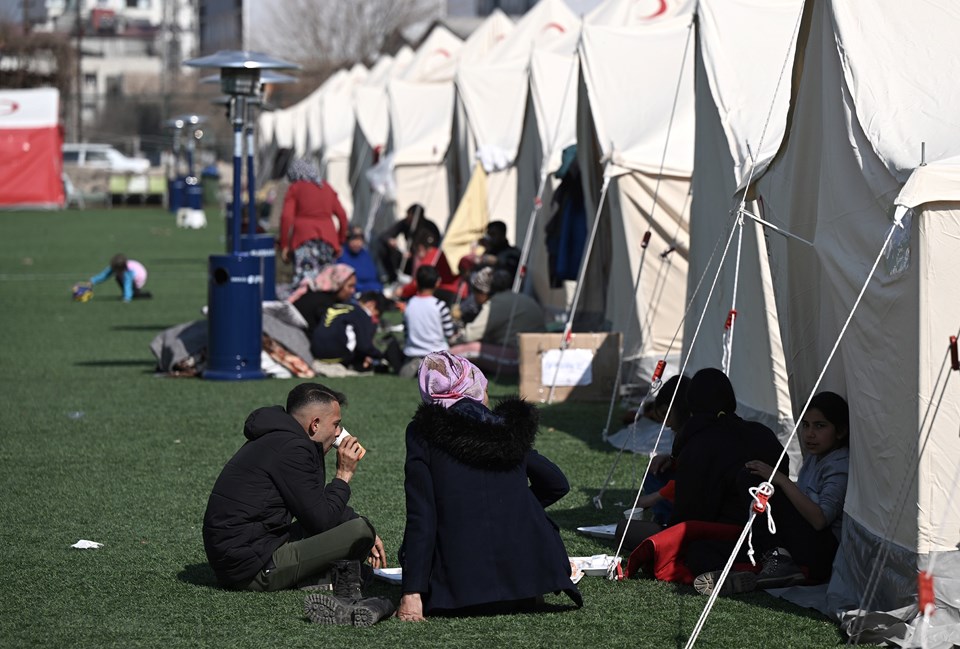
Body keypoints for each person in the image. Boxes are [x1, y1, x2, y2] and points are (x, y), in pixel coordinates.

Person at [396, 352, 582, 621]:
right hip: (528, 584)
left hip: (458, 591)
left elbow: (422, 516)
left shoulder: (422, 432)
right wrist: (513, 506)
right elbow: (557, 484)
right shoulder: (506, 426)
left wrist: (411, 594)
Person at [202, 383, 386, 594]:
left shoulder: (282, 438)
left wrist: (354, 520)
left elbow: (312, 503)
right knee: (359, 531)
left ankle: (325, 576)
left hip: (247, 553)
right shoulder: (293, 449)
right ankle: (319, 579)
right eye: (336, 424)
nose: (338, 434)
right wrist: (343, 476)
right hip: (251, 568)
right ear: (315, 424)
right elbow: (321, 520)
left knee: (358, 526)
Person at [695, 391, 851, 595]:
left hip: (820, 553)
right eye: (805, 425)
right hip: (799, 542)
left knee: (753, 479)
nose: (809, 434)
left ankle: (777, 560)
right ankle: (753, 569)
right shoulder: (817, 457)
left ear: (840, 431)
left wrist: (780, 480)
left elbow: (820, 520)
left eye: (819, 426)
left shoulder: (839, 464)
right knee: (700, 550)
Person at [279, 159, 349, 287]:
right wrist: (340, 240)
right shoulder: (326, 187)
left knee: (306, 282)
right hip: (328, 241)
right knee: (327, 281)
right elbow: (342, 216)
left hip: (303, 239)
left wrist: (284, 244)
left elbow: (286, 217)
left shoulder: (296, 188)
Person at [388, 265, 457, 378]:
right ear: (437, 282)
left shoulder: (409, 305)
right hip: (438, 355)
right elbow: (449, 334)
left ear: (416, 282)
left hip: (413, 354)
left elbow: (406, 333)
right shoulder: (440, 305)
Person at [310, 291, 385, 371]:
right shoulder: (362, 313)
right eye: (376, 315)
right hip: (337, 355)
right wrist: (380, 355)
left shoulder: (336, 305)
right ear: (371, 304)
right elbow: (364, 346)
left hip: (316, 352)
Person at [375, 203, 442, 285]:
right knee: (383, 248)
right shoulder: (405, 223)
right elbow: (385, 235)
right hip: (407, 260)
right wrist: (390, 240)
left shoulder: (429, 227)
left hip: (423, 260)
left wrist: (414, 254)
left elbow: (431, 248)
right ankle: (393, 278)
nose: (408, 218)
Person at [288, 263, 357, 334]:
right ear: (338, 284)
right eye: (350, 286)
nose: (353, 291)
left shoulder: (315, 295)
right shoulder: (323, 303)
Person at [397, 231, 462, 304]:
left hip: (447, 292)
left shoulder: (428, 261)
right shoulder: (438, 253)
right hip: (457, 290)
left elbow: (417, 283)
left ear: (420, 248)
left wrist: (403, 291)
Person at [80, 253, 151, 302]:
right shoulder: (116, 267)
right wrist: (92, 281)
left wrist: (126, 298)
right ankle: (130, 294)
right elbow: (105, 275)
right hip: (134, 270)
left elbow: (127, 284)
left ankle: (143, 294)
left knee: (133, 292)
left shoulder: (128, 273)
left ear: (121, 269)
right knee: (118, 278)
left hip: (139, 277)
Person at [337, 227, 383, 294]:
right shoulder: (341, 254)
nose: (357, 243)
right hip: (352, 293)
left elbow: (373, 276)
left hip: (371, 291)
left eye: (360, 240)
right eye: (354, 240)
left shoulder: (366, 255)